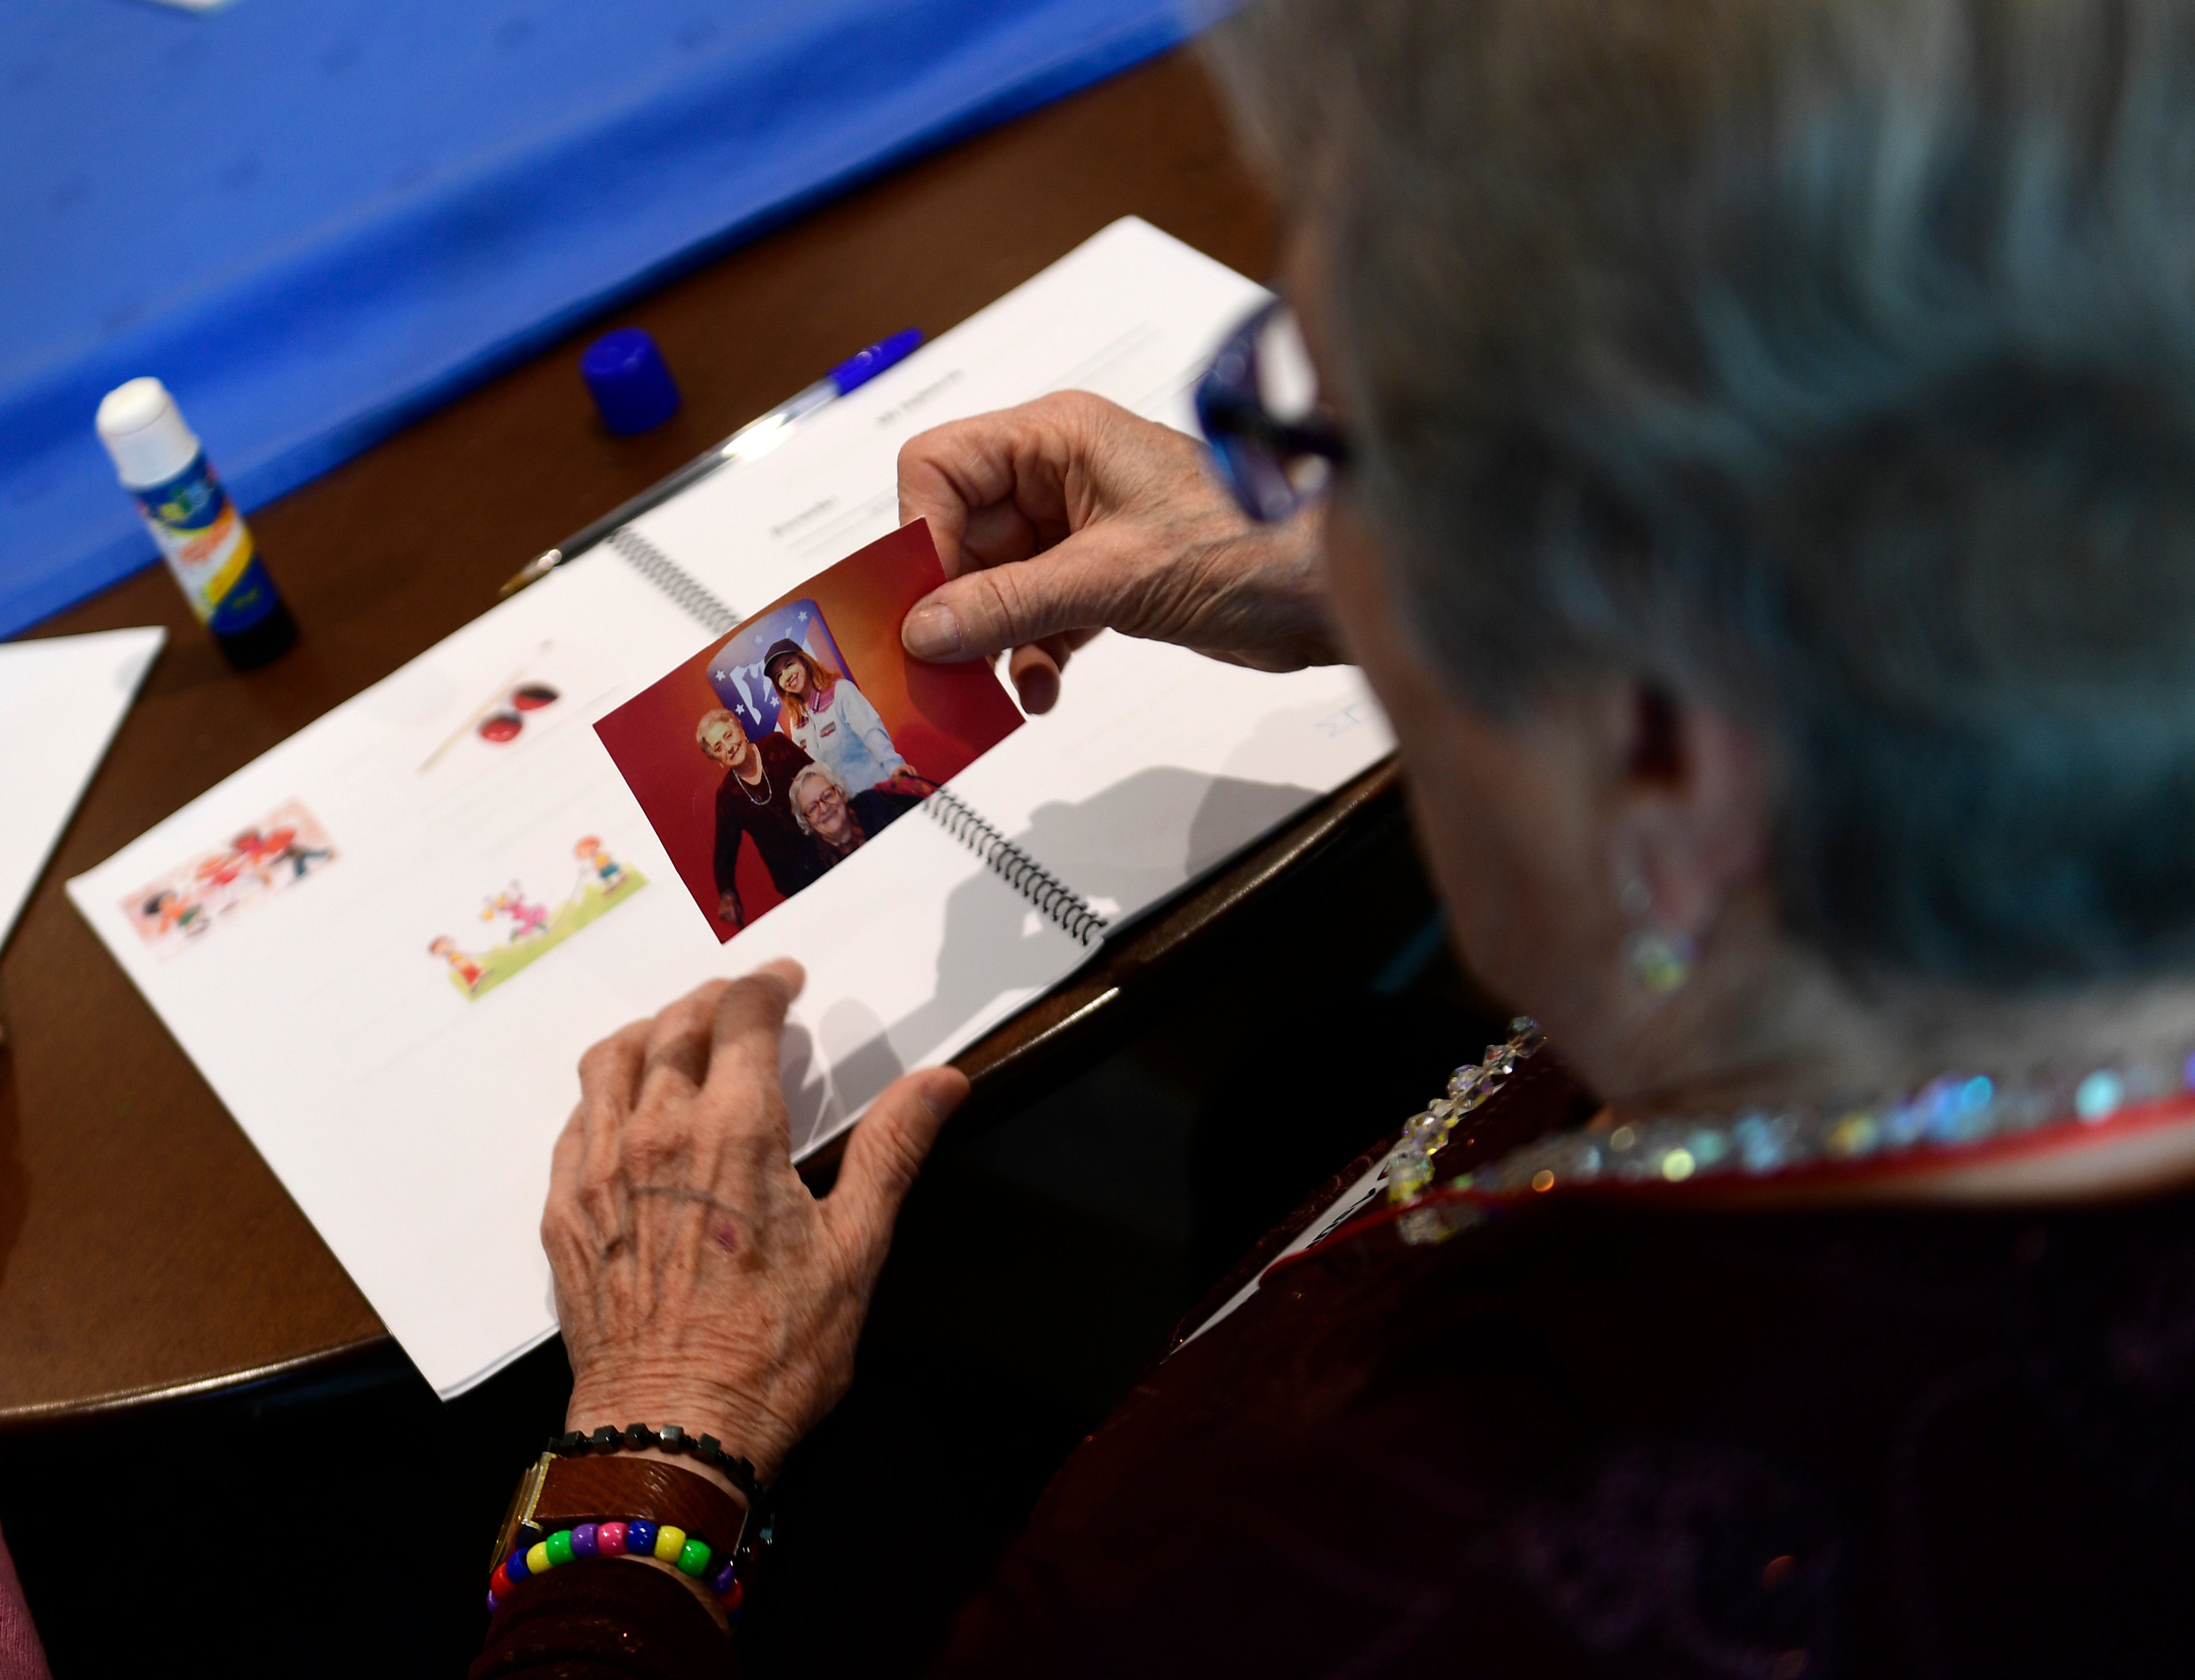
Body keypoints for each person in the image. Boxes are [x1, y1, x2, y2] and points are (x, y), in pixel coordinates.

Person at [478, 1, 2195, 1674]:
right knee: (1302, 1083)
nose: (1291, 494)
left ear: (1657, 744)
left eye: (1322, 435)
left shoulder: (1322, 1597)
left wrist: (657, 1462)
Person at [698, 708, 822, 930]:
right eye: (719, 747)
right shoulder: (727, 795)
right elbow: (723, 854)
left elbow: (819, 779)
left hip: (827, 847)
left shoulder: (776, 745)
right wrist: (728, 894)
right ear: (717, 759)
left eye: (728, 736)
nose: (729, 747)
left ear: (740, 730)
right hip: (794, 879)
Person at [761, 638, 919, 795]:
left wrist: (894, 766)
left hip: (881, 793)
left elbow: (871, 732)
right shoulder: (796, 724)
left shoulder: (841, 691)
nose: (786, 676)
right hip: (847, 810)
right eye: (779, 676)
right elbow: (812, 771)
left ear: (804, 661)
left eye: (789, 665)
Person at [786, 760, 924, 866]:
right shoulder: (808, 867)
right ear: (806, 822)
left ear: (841, 793)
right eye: (812, 809)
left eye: (828, 795)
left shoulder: (877, 805)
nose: (824, 808)